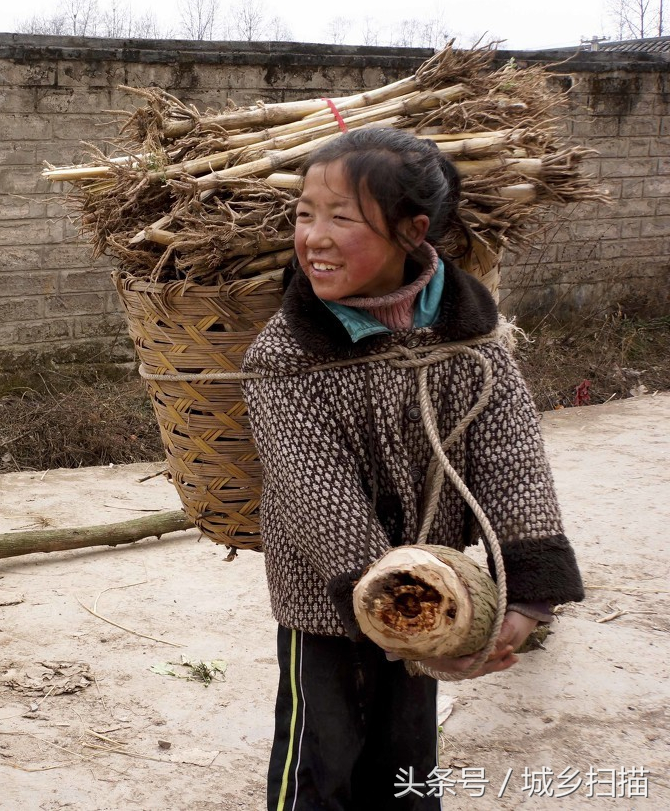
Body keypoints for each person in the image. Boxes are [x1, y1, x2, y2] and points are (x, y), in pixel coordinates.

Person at [238, 128, 585, 810]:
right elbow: (317, 495)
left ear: (411, 229)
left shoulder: (471, 340)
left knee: (407, 767)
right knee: (320, 761)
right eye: (305, 213)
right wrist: (408, 617)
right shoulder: (285, 354)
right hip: (328, 600)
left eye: (342, 216)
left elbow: (513, 463)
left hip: (438, 594)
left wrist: (526, 599)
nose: (315, 236)